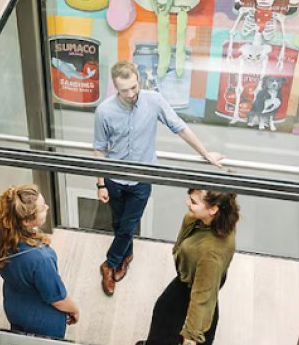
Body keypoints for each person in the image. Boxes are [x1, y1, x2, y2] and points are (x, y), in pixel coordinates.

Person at [93, 60, 225, 296]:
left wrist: (205, 154)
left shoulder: (153, 101)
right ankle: (127, 255)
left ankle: (109, 264)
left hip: (142, 180)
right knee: (119, 224)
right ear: (115, 87)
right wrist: (101, 183)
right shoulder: (104, 111)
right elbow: (100, 149)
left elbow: (180, 127)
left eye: (134, 87)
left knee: (126, 227)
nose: (131, 94)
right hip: (114, 179)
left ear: (138, 80)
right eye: (124, 90)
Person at [0, 185, 80, 345]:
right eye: (42, 208)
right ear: (27, 221)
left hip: (13, 305)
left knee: (19, 341)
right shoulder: (41, 257)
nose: (47, 207)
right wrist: (75, 310)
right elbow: (56, 298)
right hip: (44, 320)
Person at [135, 189, 240, 345]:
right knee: (211, 301)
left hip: (194, 279)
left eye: (193, 201)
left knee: (166, 308)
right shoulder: (220, 218)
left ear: (213, 209)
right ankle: (205, 342)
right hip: (210, 275)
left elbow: (201, 299)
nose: (187, 203)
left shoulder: (211, 254)